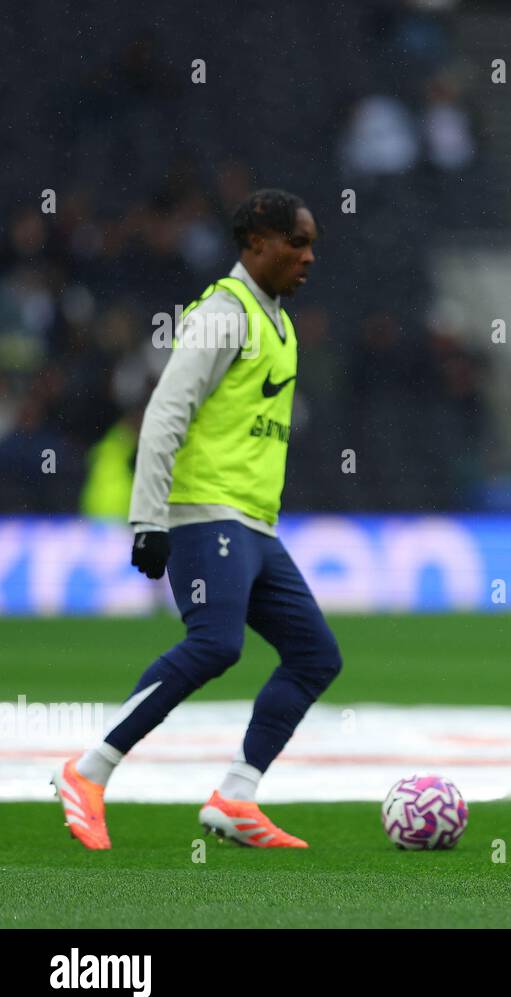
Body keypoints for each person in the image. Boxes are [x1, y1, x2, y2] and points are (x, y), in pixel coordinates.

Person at [55, 189, 341, 850]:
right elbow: (164, 412)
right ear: (257, 244)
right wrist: (149, 518)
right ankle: (87, 769)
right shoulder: (223, 313)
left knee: (314, 655)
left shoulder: (281, 324)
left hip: (253, 526)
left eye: (312, 245)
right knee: (215, 643)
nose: (308, 257)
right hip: (203, 514)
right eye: (297, 243)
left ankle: (236, 796)